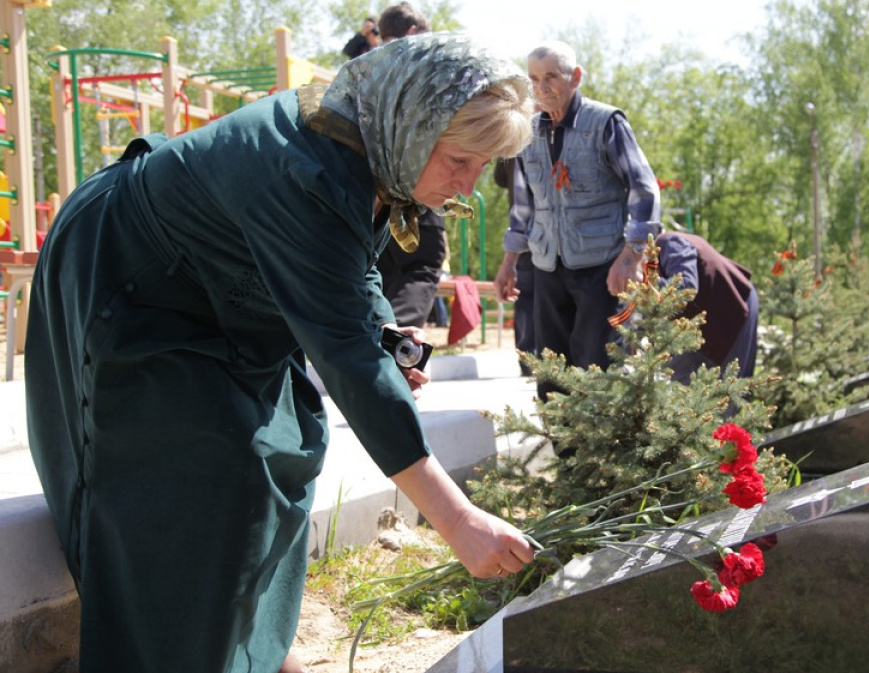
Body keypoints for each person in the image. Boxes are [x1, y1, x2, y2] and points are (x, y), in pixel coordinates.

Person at [25, 33, 536, 673]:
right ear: (415, 122)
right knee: (196, 477)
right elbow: (346, 359)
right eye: (460, 160)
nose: (467, 184)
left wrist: (388, 336)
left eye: (481, 167)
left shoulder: (369, 143)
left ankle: (254, 650)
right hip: (132, 279)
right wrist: (457, 521)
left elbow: (354, 270)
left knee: (286, 443)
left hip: (213, 293)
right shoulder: (307, 170)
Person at [493, 41, 660, 396]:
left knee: (597, 367)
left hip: (602, 269)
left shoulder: (605, 122)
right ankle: (564, 451)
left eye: (551, 77)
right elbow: (523, 206)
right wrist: (509, 262)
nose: (542, 88)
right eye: (535, 79)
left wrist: (631, 257)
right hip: (546, 268)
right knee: (550, 373)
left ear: (576, 77)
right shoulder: (528, 132)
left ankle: (598, 451)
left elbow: (644, 191)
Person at [374, 3, 448, 331]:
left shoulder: (366, 68)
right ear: (414, 34)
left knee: (377, 274)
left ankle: (372, 351)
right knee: (420, 267)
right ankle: (392, 352)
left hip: (367, 193)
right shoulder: (422, 66)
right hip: (414, 186)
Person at [655, 230, 759, 383]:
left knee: (730, 390)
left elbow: (686, 289)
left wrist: (646, 285)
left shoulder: (669, 243)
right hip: (709, 321)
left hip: (734, 306)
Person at [492, 156, 536, 374]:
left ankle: (527, 357)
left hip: (521, 231)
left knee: (525, 294)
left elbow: (499, 179)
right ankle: (544, 356)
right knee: (542, 292)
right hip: (542, 228)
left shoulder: (512, 143)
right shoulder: (548, 135)